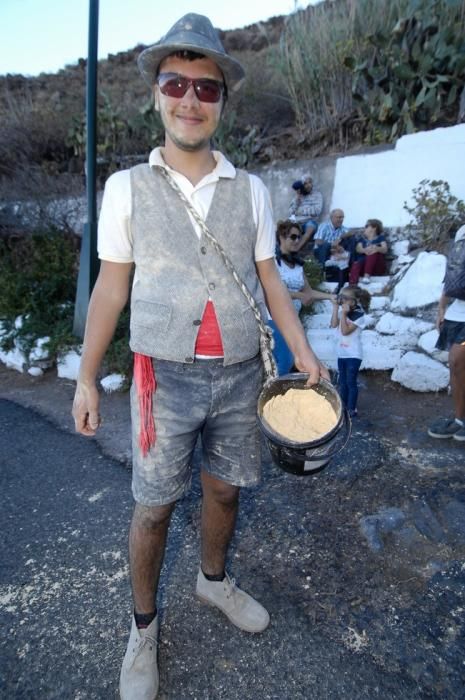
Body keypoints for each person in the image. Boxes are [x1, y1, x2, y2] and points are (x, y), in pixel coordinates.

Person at [71, 14, 328, 700]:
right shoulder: (126, 187)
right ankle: (142, 627)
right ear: (157, 94)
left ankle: (212, 581)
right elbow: (111, 285)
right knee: (153, 506)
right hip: (164, 375)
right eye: (175, 83)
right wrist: (87, 377)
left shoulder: (251, 190)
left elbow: (270, 276)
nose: (190, 99)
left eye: (205, 88)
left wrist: (300, 346)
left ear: (222, 101)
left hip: (243, 375)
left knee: (225, 487)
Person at [269, 220, 336, 375]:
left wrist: (330, 296)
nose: (297, 240)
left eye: (299, 237)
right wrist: (298, 295)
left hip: (293, 320)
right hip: (276, 319)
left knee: (289, 361)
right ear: (281, 237)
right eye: (293, 237)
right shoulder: (273, 263)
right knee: (284, 361)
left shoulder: (298, 265)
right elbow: (272, 291)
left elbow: (309, 292)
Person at [428, 224, 465, 441]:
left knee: (458, 359)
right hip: (456, 315)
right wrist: (441, 308)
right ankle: (459, 420)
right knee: (457, 367)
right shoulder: (462, 231)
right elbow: (452, 273)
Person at [330, 285, 371, 418]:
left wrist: (344, 314)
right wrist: (336, 308)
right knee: (342, 382)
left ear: (353, 301)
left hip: (354, 355)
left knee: (350, 382)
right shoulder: (344, 311)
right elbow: (334, 324)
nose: (342, 300)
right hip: (342, 353)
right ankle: (343, 407)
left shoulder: (359, 315)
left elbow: (345, 331)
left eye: (344, 298)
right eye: (341, 297)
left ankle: (352, 408)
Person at [288, 175, 323, 253]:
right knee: (288, 226)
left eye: (310, 182)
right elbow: (290, 212)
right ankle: (288, 249)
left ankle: (297, 249)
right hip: (297, 222)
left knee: (310, 227)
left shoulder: (317, 195)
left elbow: (317, 210)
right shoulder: (297, 197)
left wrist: (301, 211)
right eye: (305, 183)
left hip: (309, 221)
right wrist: (297, 201)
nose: (308, 185)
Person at [349, 218, 388, 285]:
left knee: (374, 251)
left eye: (367, 226)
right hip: (363, 266)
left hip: (377, 267)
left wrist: (376, 248)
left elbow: (384, 249)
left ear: (374, 228)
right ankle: (352, 285)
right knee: (357, 263)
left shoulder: (380, 238)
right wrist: (365, 250)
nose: (365, 228)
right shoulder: (362, 239)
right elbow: (358, 249)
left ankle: (367, 276)